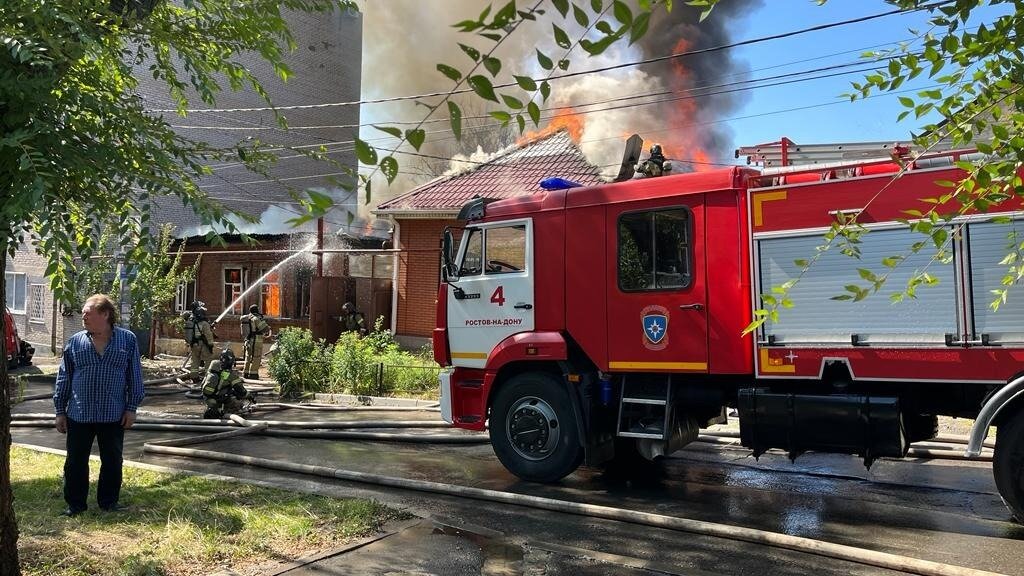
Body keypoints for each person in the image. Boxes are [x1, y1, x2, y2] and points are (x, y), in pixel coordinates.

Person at [53, 294, 144, 517]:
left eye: (88, 313)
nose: (83, 316)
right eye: (83, 313)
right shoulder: (75, 342)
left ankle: (108, 501)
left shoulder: (127, 340)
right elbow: (64, 377)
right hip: (78, 414)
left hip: (113, 414)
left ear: (105, 314)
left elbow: (135, 377)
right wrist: (59, 412)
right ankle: (75, 505)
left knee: (112, 460)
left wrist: (132, 407)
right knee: (75, 461)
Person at [201, 349, 253, 419]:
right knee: (238, 404)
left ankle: (215, 409)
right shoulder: (231, 375)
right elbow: (241, 390)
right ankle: (223, 411)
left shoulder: (213, 368)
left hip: (207, 398)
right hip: (219, 399)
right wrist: (249, 396)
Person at [239, 304, 270, 380]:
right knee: (256, 357)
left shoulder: (247, 318)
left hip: (248, 340)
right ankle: (253, 374)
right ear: (256, 310)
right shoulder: (256, 318)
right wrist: (268, 328)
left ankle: (245, 373)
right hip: (256, 341)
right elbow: (264, 329)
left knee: (248, 357)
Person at [187, 300, 215, 373]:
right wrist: (211, 345)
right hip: (203, 344)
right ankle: (208, 376)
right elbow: (208, 335)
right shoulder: (204, 323)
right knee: (208, 359)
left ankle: (194, 376)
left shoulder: (191, 320)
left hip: (194, 343)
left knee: (195, 360)